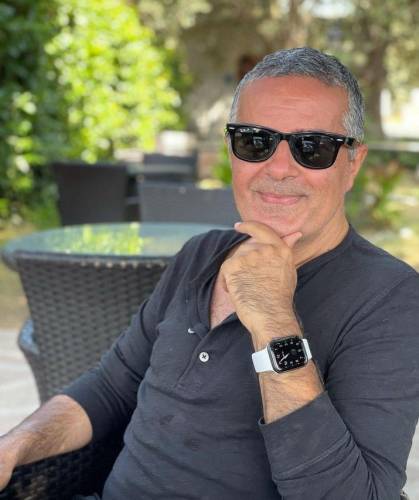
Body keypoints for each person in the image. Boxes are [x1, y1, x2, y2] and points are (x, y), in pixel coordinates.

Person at [1, 47, 419, 500]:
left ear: (352, 162)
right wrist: (13, 446)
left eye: (312, 148)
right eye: (255, 141)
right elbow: (110, 389)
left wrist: (274, 321)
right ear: (231, 152)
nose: (279, 168)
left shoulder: (391, 298)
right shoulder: (200, 255)